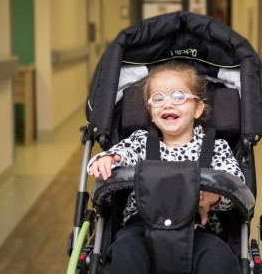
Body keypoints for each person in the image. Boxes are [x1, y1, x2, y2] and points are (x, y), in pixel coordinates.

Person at [87, 60, 244, 274]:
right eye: (158, 99)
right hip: (140, 228)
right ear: (151, 112)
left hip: (198, 230)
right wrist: (108, 158)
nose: (168, 104)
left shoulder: (215, 148)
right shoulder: (141, 142)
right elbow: (121, 154)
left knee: (219, 258)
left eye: (178, 96)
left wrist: (214, 198)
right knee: (125, 253)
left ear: (198, 108)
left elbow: (237, 186)